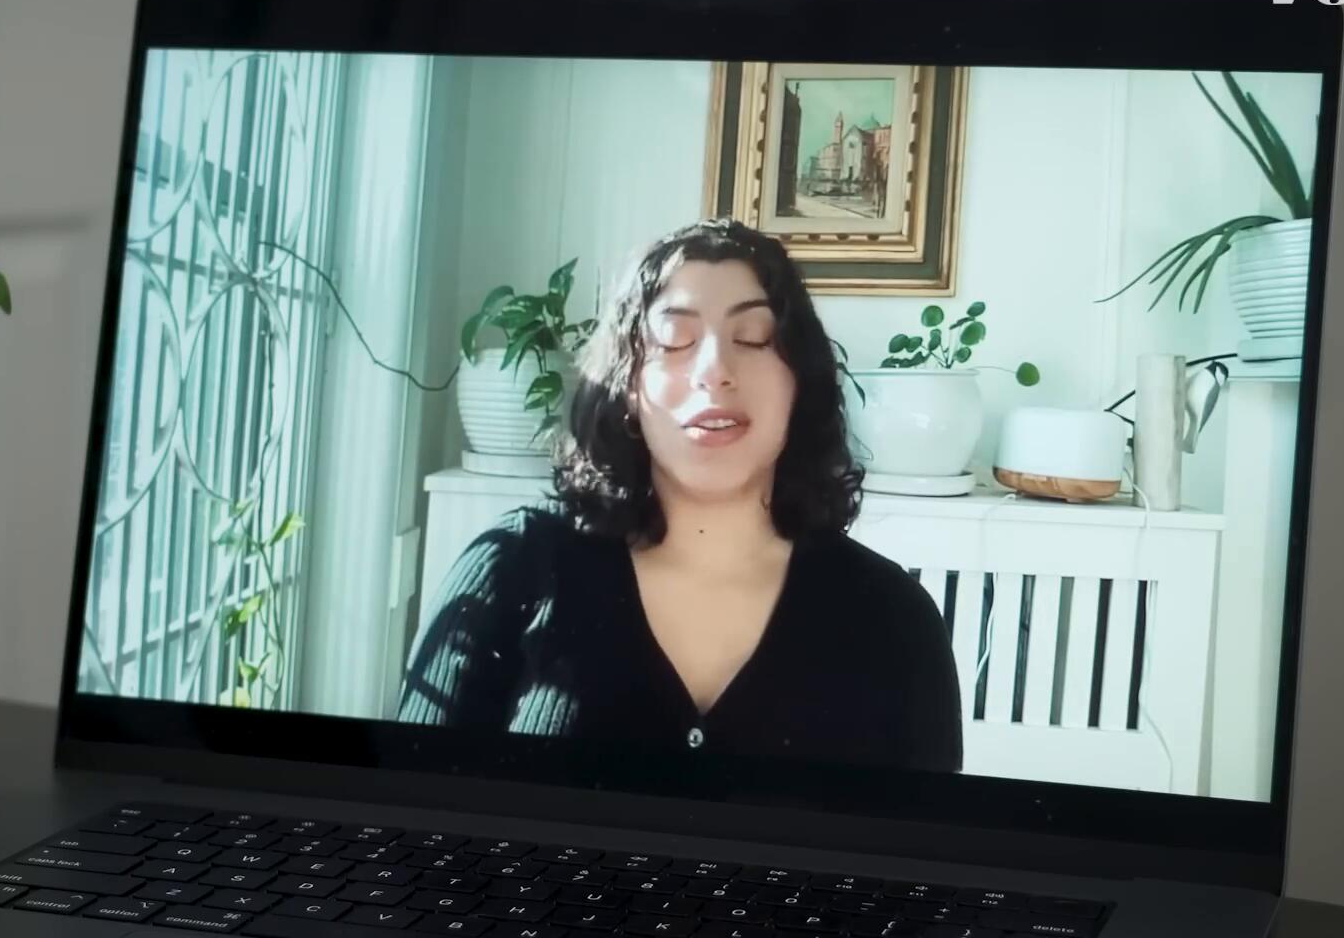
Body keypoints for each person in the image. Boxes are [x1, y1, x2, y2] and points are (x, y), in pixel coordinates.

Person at [396, 217, 963, 773]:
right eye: (673, 340)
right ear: (625, 386)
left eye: (754, 337)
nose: (714, 371)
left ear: (801, 381)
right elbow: (409, 815)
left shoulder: (896, 621)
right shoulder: (513, 566)